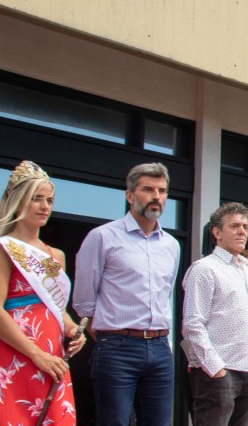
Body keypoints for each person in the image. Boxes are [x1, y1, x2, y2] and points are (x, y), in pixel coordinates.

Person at [0, 161, 86, 424]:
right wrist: (36, 354)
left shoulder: (57, 255)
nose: (45, 206)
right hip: (13, 354)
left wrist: (74, 330)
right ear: (18, 202)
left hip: (51, 357)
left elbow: (56, 308)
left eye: (49, 200)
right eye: (36, 199)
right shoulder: (1, 248)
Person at [73, 162, 181, 426]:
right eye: (148, 189)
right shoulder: (102, 237)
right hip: (117, 348)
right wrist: (111, 335)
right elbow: (84, 301)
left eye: (162, 191)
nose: (156, 196)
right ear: (130, 195)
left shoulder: (171, 245)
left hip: (159, 348)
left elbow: (165, 295)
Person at [181, 202, 248, 426]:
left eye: (245, 227)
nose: (242, 231)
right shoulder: (204, 269)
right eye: (235, 226)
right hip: (219, 372)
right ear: (217, 232)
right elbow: (192, 324)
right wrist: (216, 368)